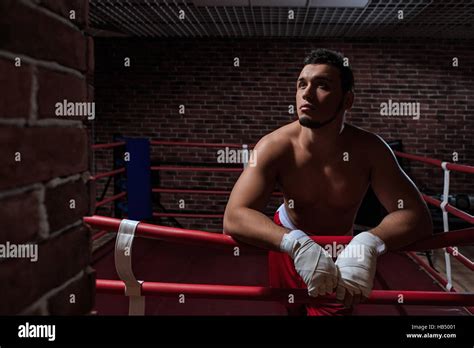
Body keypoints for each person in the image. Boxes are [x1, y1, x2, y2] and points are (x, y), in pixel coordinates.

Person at [223, 48, 433, 316]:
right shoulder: (273, 146)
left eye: (322, 85)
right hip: (288, 240)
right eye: (302, 84)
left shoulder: (370, 150)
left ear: (347, 100)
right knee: (292, 309)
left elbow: (416, 216)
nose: (307, 94)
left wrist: (368, 243)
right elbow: (234, 216)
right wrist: (295, 243)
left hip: (341, 250)